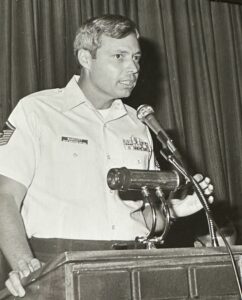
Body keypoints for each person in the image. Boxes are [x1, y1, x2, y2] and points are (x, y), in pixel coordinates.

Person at [0, 14, 214, 297]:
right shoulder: (37, 111)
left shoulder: (139, 124)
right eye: (119, 56)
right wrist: (24, 264)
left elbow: (138, 217)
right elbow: (5, 197)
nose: (133, 68)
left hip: (130, 267)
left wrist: (174, 209)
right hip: (57, 264)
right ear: (86, 58)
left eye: (136, 58)